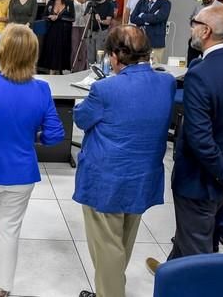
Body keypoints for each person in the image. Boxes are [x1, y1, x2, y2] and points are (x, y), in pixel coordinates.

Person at [146, 5, 223, 272]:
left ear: (206, 31)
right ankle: (169, 274)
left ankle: (188, 279)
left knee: (198, 257)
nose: (191, 28)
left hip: (201, 180)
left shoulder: (200, 72)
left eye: (194, 23)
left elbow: (199, 137)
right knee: (190, 234)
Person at [0, 23, 65, 297]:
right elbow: (54, 135)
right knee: (10, 230)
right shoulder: (41, 89)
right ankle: (4, 287)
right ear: (33, 54)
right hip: (21, 173)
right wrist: (31, 138)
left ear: (1, 52)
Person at [74, 26, 176, 297]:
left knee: (107, 246)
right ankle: (112, 287)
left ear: (114, 57)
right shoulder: (166, 83)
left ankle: (110, 292)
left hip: (105, 180)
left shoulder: (104, 88)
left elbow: (82, 119)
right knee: (124, 242)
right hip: (143, 176)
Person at [130, 0, 171, 64]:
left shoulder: (165, 4)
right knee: (138, 66)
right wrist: (149, 19)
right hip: (140, 42)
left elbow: (158, 18)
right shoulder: (142, 2)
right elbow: (133, 18)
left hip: (155, 43)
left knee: (154, 67)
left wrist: (142, 15)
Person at [40, 0, 75, 74]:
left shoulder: (69, 3)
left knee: (62, 52)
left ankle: (60, 72)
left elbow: (72, 18)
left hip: (64, 32)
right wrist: (49, 17)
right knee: (52, 51)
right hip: (52, 30)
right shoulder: (50, 2)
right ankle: (52, 72)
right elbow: (43, 16)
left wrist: (58, 18)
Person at [186, 0, 223, 65]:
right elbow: (191, 20)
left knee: (209, 65)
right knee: (190, 64)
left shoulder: (221, 9)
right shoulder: (198, 6)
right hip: (195, 40)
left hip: (210, 42)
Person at [86, 0, 115, 65]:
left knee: (100, 56)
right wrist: (89, 14)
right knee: (90, 56)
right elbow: (85, 18)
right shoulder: (91, 4)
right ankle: (89, 72)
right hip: (90, 31)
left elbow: (108, 21)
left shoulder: (109, 4)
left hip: (101, 32)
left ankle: (100, 72)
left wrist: (100, 20)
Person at [70, 0, 89, 72]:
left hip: (85, 25)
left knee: (83, 47)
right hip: (74, 24)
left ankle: (82, 68)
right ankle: (74, 68)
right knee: (74, 47)